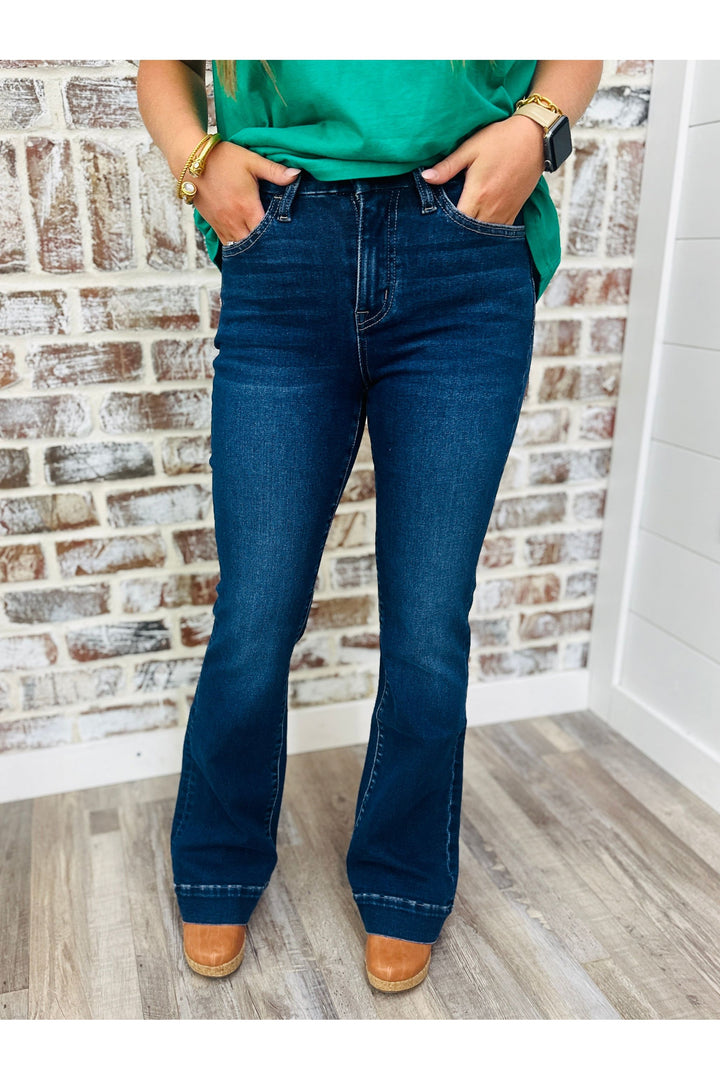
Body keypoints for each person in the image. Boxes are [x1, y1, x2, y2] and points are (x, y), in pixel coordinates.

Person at [136, 59, 603, 993]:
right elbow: (162, 53)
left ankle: (402, 880)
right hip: (287, 243)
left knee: (429, 623)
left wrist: (536, 127)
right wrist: (198, 162)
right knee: (256, 612)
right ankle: (221, 859)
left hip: (463, 253)